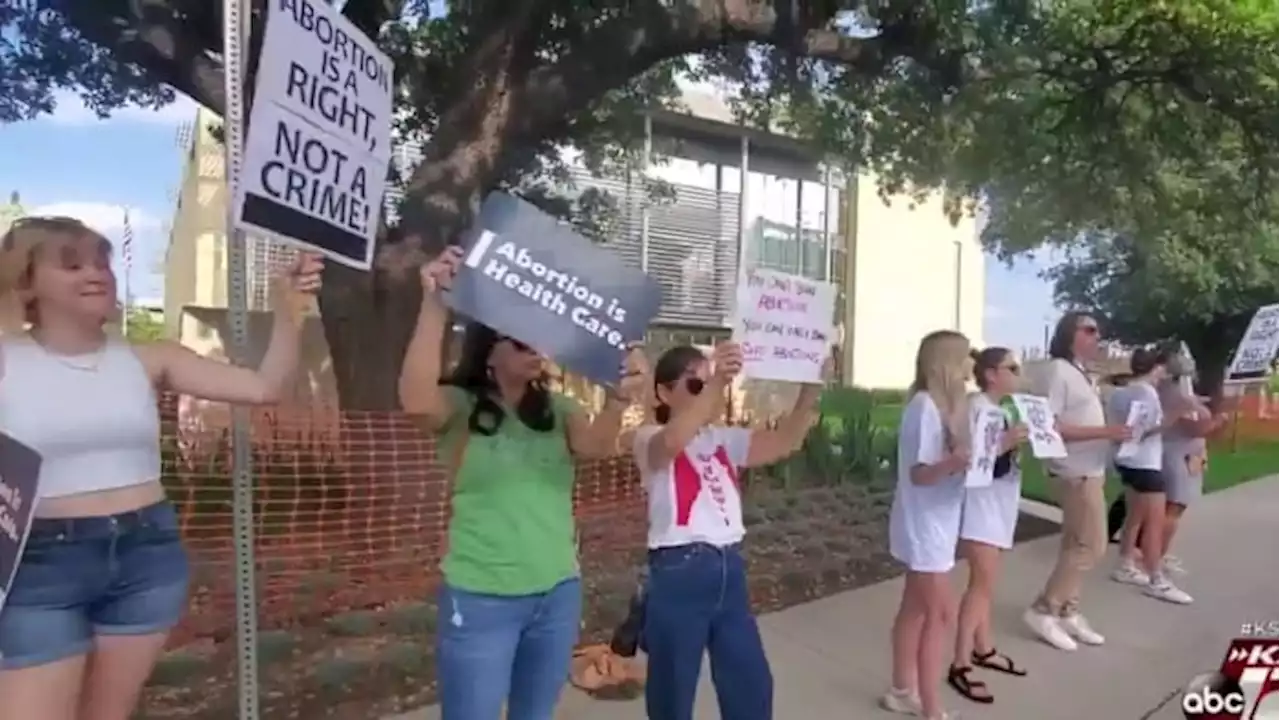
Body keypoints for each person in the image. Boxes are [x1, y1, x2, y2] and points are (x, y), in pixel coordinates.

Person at [0, 216, 321, 720]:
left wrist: (289, 312)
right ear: (25, 282)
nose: (97, 273)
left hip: (144, 555)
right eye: (72, 264)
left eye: (102, 261)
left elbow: (263, 389)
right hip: (37, 566)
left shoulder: (150, 357)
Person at [397, 245, 646, 720]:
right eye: (522, 343)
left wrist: (617, 401)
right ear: (490, 350)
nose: (537, 351)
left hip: (555, 594)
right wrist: (434, 304)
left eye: (540, 342)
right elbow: (414, 400)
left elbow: (595, 446)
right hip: (481, 597)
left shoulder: (558, 409)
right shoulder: (459, 406)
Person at [632, 341, 822, 720]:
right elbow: (670, 443)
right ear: (664, 392)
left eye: (712, 383)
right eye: (695, 384)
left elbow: (783, 442)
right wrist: (718, 379)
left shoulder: (721, 439)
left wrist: (810, 387)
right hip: (679, 570)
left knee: (751, 684)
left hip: (728, 570)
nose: (710, 392)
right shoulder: (647, 436)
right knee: (673, 691)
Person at [1022, 312, 1133, 652]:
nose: (1096, 336)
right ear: (1069, 334)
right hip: (1074, 472)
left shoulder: (1082, 374)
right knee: (1092, 545)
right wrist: (1106, 432)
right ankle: (1045, 608)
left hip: (1090, 469)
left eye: (1098, 331)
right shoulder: (1058, 371)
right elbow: (1049, 425)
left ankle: (1068, 610)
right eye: (1089, 330)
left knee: (1074, 545)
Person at [881, 330, 972, 720]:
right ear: (947, 361)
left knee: (916, 610)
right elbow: (920, 474)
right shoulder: (924, 407)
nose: (972, 365)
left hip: (938, 522)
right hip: (925, 525)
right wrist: (956, 462)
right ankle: (932, 709)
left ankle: (902, 690)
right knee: (939, 614)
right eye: (967, 356)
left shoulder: (947, 407)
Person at [946, 347, 1029, 705]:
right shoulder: (977, 408)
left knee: (986, 585)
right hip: (980, 509)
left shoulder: (999, 409)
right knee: (980, 586)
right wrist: (1007, 442)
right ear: (992, 373)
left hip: (998, 506)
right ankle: (961, 661)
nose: (1018, 373)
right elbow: (974, 462)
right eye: (1012, 367)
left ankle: (983, 646)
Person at [1106, 347, 1199, 606]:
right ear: (1157, 367)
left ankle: (1125, 563)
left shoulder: (1120, 393)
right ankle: (1156, 579)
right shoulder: (1147, 393)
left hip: (1125, 461)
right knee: (1154, 523)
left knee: (1134, 515)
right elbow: (1143, 431)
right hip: (1145, 464)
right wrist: (1177, 412)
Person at [1155, 354, 1227, 575]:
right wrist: (1219, 420)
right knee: (1174, 507)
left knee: (1171, 506)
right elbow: (1194, 427)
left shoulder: (1168, 390)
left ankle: (1158, 553)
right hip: (1179, 453)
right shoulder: (1177, 396)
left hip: (1182, 452)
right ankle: (1157, 556)